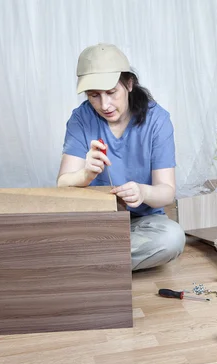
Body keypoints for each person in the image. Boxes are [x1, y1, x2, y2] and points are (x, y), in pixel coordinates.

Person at [57, 43, 186, 271]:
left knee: (172, 238)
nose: (104, 105)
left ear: (129, 83)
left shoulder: (158, 121)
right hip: (96, 221)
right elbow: (62, 184)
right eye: (94, 95)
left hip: (142, 225)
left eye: (111, 92)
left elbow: (166, 192)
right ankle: (102, 262)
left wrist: (142, 191)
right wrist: (85, 174)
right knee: (54, 232)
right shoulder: (81, 119)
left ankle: (83, 264)